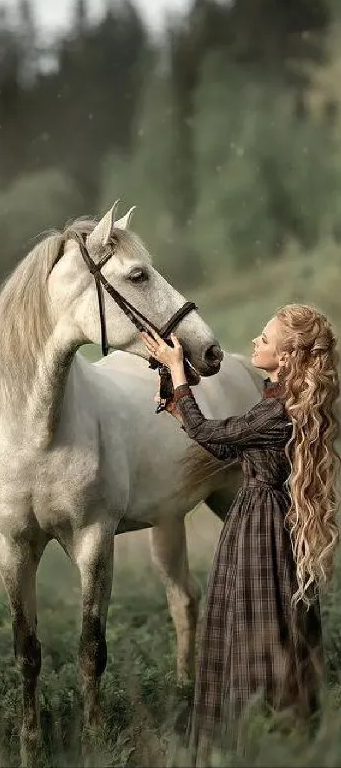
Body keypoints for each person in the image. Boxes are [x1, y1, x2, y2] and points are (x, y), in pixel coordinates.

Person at [140, 304, 340, 763]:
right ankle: (278, 736)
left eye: (265, 340)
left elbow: (212, 432)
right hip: (262, 520)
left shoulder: (277, 412)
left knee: (253, 630)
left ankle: (256, 737)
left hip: (260, 526)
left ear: (288, 357)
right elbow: (218, 438)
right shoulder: (281, 400)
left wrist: (178, 374)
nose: (254, 342)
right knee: (263, 627)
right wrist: (175, 395)